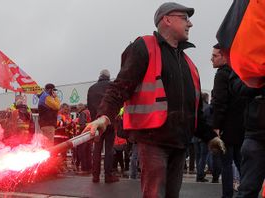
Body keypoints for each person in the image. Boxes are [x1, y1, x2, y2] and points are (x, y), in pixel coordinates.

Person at [84, 2, 225, 197]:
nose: (190, 24)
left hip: (179, 143)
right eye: (184, 18)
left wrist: (210, 137)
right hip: (153, 141)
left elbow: (195, 112)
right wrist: (104, 116)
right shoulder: (144, 47)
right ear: (167, 20)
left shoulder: (190, 66)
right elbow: (120, 87)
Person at [211, 43, 246, 198]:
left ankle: (227, 195)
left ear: (224, 57)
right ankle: (246, 193)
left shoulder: (221, 74)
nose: (211, 59)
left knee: (226, 164)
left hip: (226, 127)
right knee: (241, 163)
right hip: (242, 127)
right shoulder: (238, 73)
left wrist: (216, 126)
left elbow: (219, 102)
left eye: (214, 56)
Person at [230, 72, 265, 198]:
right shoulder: (247, 57)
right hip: (256, 133)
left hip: (255, 131)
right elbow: (236, 86)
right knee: (248, 189)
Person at [87, 69, 119, 183]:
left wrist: (94, 120)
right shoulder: (112, 85)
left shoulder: (91, 89)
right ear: (109, 77)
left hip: (96, 123)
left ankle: (95, 176)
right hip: (108, 121)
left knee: (97, 149)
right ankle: (108, 175)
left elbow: (89, 106)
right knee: (109, 149)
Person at [37, 83, 61, 148]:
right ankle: (49, 157)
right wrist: (55, 97)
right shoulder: (46, 97)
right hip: (48, 124)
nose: (54, 92)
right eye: (53, 90)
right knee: (49, 144)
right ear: (50, 90)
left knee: (45, 143)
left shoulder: (43, 96)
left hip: (45, 123)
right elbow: (57, 106)